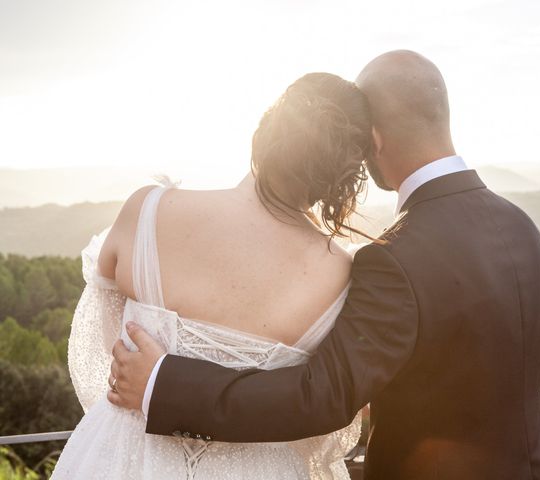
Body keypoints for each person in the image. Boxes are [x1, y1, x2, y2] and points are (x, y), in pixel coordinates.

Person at [111, 50, 540, 479]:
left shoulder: (394, 258)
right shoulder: (522, 228)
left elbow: (322, 397)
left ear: (374, 141)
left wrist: (162, 385)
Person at [52, 72, 374, 480]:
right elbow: (319, 428)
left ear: (266, 131)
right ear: (345, 175)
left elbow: (104, 352)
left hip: (120, 460)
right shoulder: (339, 273)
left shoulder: (147, 210)